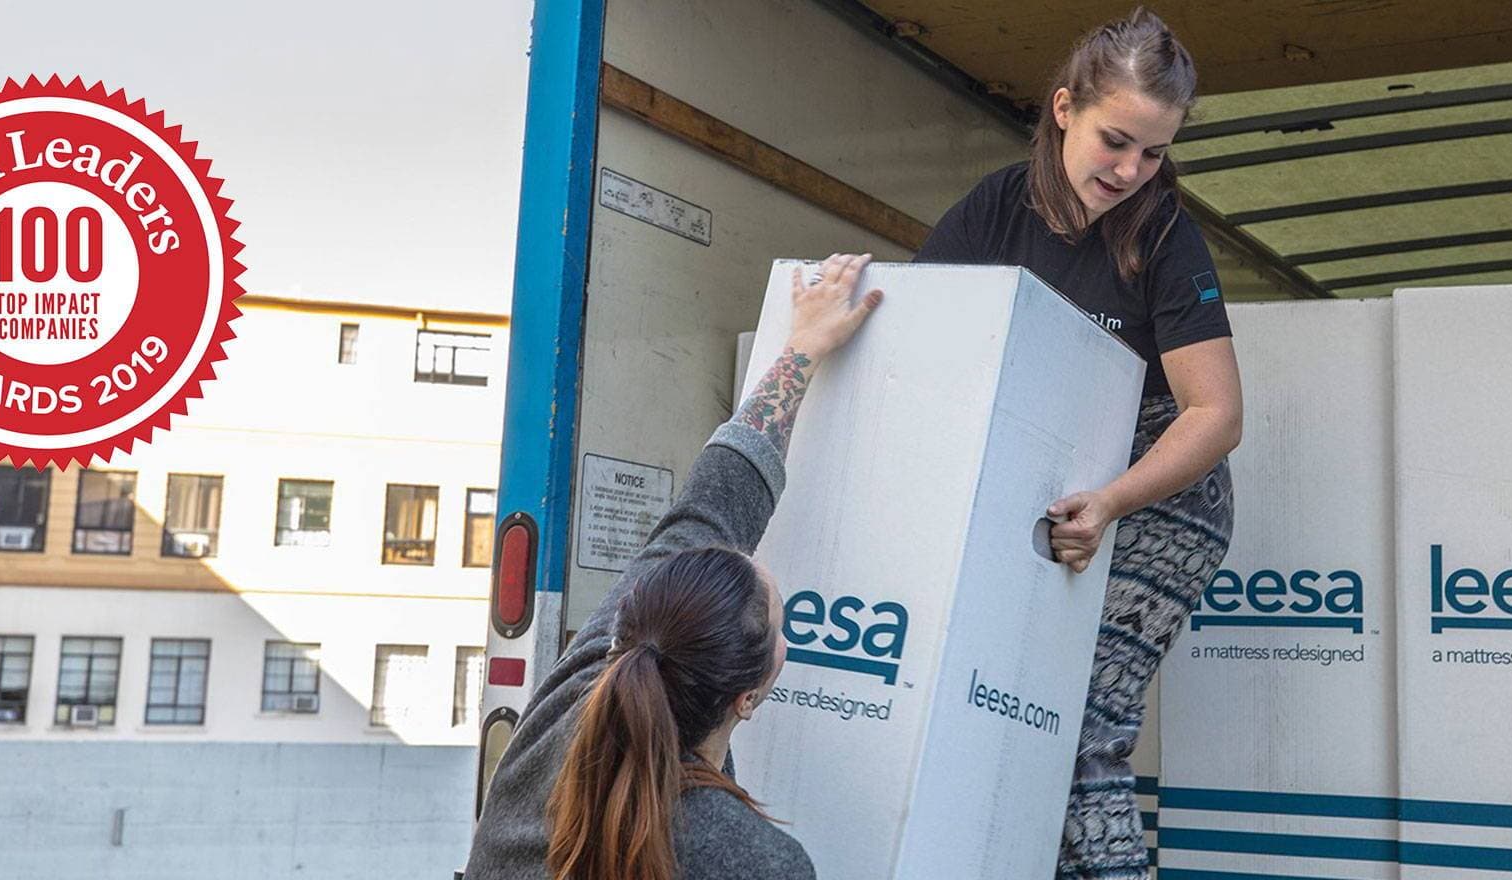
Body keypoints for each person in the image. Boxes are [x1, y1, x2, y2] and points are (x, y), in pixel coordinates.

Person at [912, 9, 1241, 879]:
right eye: (1117, 141)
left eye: (1155, 154)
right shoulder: (995, 207)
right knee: (1007, 714)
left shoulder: (1166, 235)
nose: (1132, 171)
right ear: (1063, 107)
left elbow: (1216, 414)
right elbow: (924, 336)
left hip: (1159, 494)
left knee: (1082, 726)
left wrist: (1113, 500)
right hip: (1050, 479)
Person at [464, 253, 885, 880]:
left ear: (629, 616)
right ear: (749, 697)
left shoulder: (583, 685)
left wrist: (802, 347)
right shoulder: (751, 862)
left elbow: (712, 504)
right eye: (782, 624)